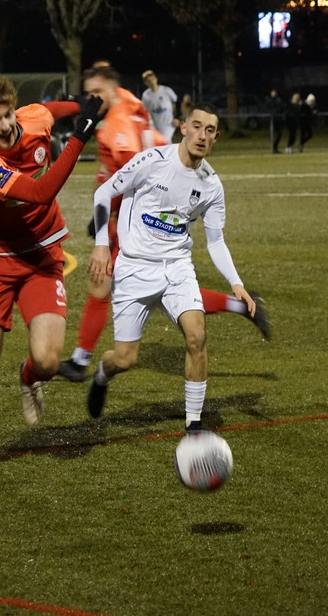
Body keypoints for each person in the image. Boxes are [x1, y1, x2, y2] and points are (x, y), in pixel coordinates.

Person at [57, 69, 269, 382]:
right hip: (142, 210)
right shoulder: (127, 103)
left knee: (112, 283)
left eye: (95, 93)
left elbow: (131, 171)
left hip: (141, 216)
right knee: (118, 290)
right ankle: (82, 358)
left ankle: (81, 360)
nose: (90, 100)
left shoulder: (119, 123)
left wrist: (108, 217)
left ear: (109, 89)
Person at [0, 69, 103, 474]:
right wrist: (80, 137)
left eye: (8, 115)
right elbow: (40, 193)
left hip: (42, 254)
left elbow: (53, 109)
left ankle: (29, 378)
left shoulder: (33, 118)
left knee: (47, 361)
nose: (5, 125)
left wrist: (84, 104)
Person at [85, 102, 258, 434]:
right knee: (125, 359)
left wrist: (236, 282)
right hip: (134, 268)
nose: (202, 135)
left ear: (216, 137)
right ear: (183, 127)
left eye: (210, 130)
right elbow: (105, 192)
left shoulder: (212, 185)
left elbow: (216, 241)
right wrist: (102, 245)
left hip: (177, 267)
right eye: (197, 126)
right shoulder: (153, 161)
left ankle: (194, 424)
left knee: (197, 336)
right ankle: (102, 376)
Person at [140, 70, 178, 142]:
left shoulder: (166, 90)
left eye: (152, 79)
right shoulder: (146, 95)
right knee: (160, 144)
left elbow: (175, 102)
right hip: (155, 125)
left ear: (156, 78)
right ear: (145, 83)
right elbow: (145, 110)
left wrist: (177, 117)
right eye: (148, 81)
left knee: (165, 141)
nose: (151, 82)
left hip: (168, 124)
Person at [263, 89, 286, 153]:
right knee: (271, 134)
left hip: (278, 119)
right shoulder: (268, 100)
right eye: (272, 93)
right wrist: (271, 113)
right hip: (271, 119)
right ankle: (273, 147)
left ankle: (275, 146)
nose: (273, 94)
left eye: (274, 93)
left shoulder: (279, 100)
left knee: (279, 134)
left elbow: (282, 108)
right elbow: (266, 109)